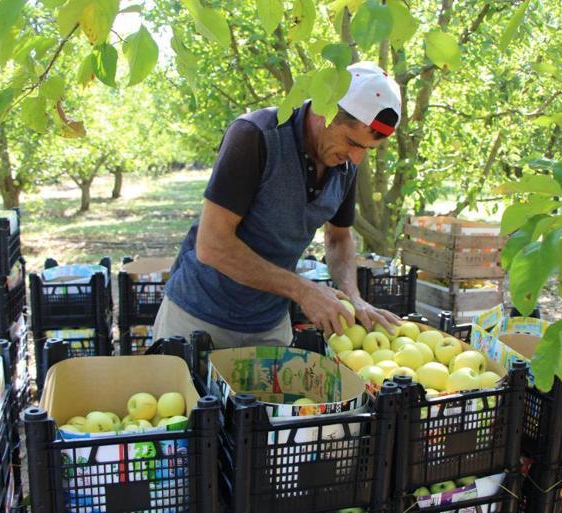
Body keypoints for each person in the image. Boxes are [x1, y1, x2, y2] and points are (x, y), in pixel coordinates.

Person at [154, 61, 404, 348]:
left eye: (367, 149)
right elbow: (212, 245)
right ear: (325, 110)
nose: (356, 158)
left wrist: (353, 296)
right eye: (352, 142)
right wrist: (303, 290)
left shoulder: (345, 162)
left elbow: (338, 237)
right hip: (199, 318)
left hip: (269, 325)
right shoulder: (255, 136)